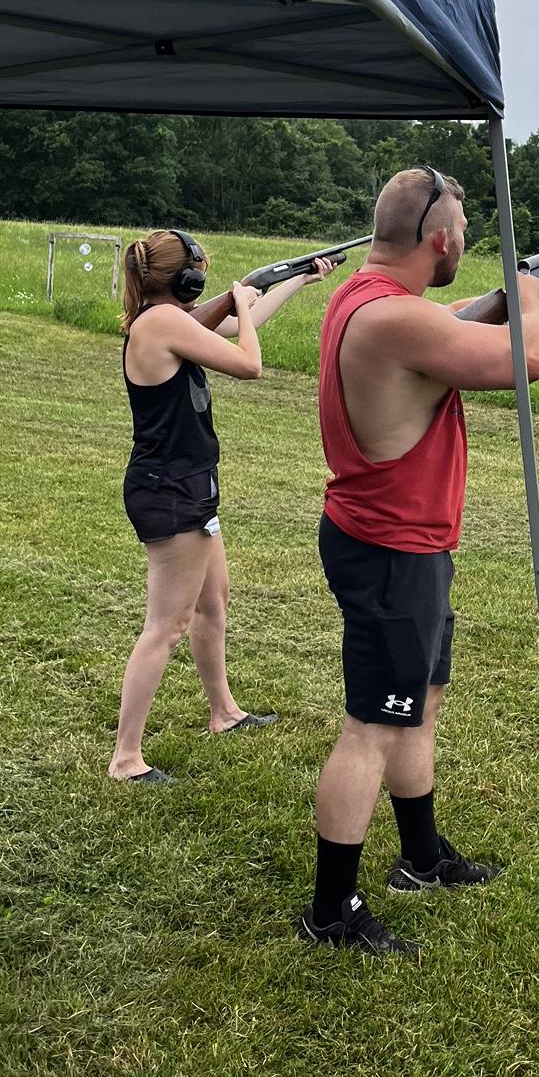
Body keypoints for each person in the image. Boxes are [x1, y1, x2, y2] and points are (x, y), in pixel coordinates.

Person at [298, 168, 539, 953]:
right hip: (391, 552)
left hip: (407, 546)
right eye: (463, 230)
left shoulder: (367, 295)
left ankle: (421, 858)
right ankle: (332, 912)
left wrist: (527, 287)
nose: (467, 241)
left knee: (418, 703)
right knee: (372, 727)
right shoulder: (392, 319)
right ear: (441, 239)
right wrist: (527, 295)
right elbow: (526, 362)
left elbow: (452, 317)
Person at [109, 228, 331, 783]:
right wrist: (243, 304)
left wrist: (297, 279)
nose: (202, 282)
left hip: (190, 481)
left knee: (214, 604)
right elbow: (247, 360)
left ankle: (224, 713)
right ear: (184, 279)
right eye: (199, 274)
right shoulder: (160, 323)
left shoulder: (173, 320)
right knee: (167, 623)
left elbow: (233, 320)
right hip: (170, 488)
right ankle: (126, 758)